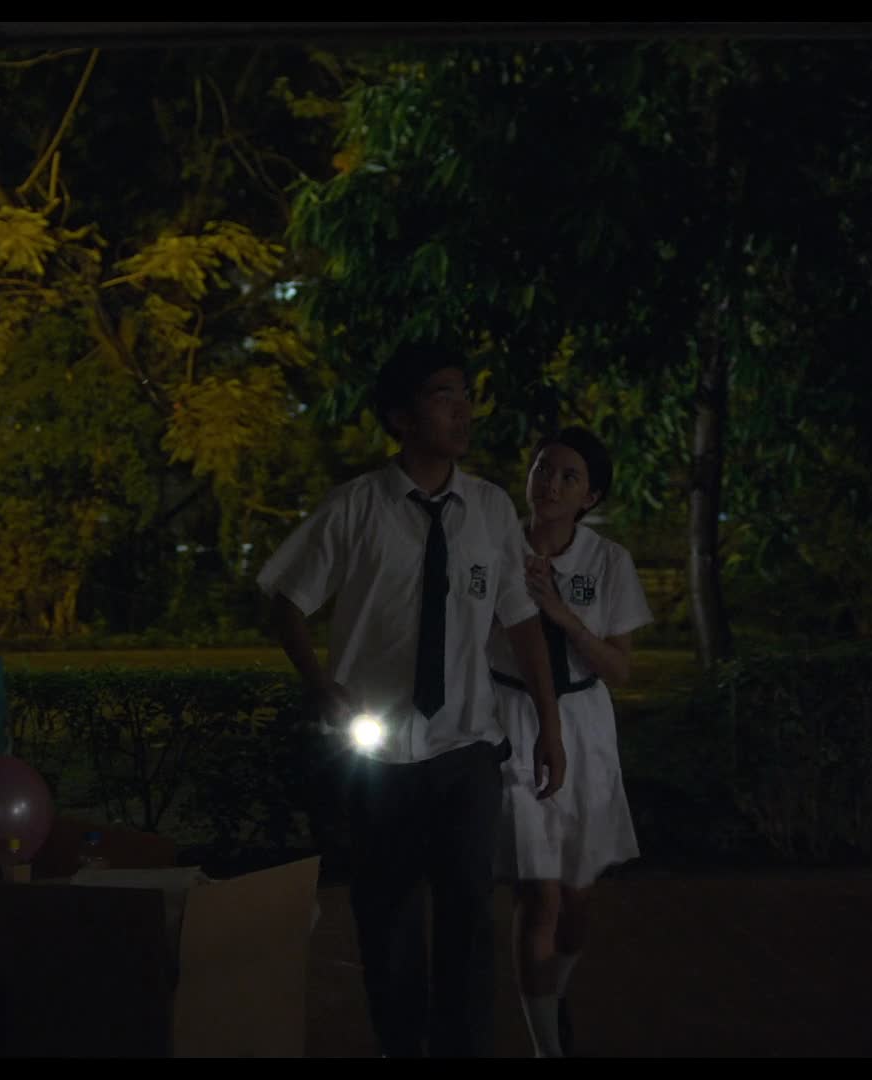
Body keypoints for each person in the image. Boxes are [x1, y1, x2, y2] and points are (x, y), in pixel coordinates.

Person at [256, 343, 565, 1058]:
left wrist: (549, 726)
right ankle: (400, 1044)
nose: (462, 410)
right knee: (388, 915)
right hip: (381, 751)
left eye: (465, 394)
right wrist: (318, 684)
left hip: (468, 746)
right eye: (443, 394)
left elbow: (521, 623)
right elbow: (287, 600)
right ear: (400, 417)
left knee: (470, 916)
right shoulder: (357, 506)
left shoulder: (488, 508)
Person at [486, 427, 654, 1058]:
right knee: (539, 892)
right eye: (542, 469)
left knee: (577, 900)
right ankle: (546, 1046)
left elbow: (620, 668)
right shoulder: (495, 548)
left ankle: (553, 998)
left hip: (584, 721)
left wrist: (564, 615)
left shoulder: (607, 561)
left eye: (568, 476)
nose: (550, 485)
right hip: (514, 717)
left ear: (590, 496)